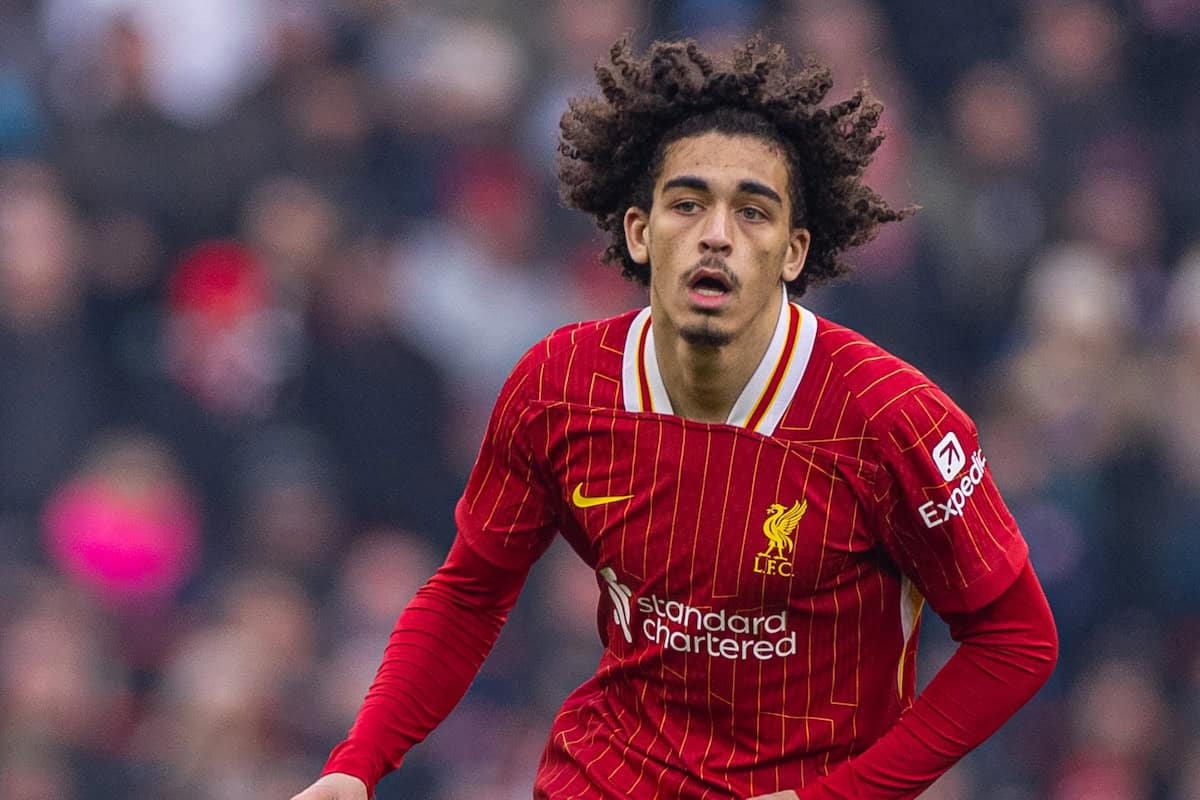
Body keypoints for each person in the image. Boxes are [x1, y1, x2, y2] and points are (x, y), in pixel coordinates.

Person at [292, 35, 1058, 800]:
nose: (716, 233)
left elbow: (1017, 639)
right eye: (687, 203)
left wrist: (845, 795)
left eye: (752, 212)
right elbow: (470, 591)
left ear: (795, 252)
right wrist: (356, 765)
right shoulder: (558, 385)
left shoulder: (893, 419)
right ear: (637, 232)